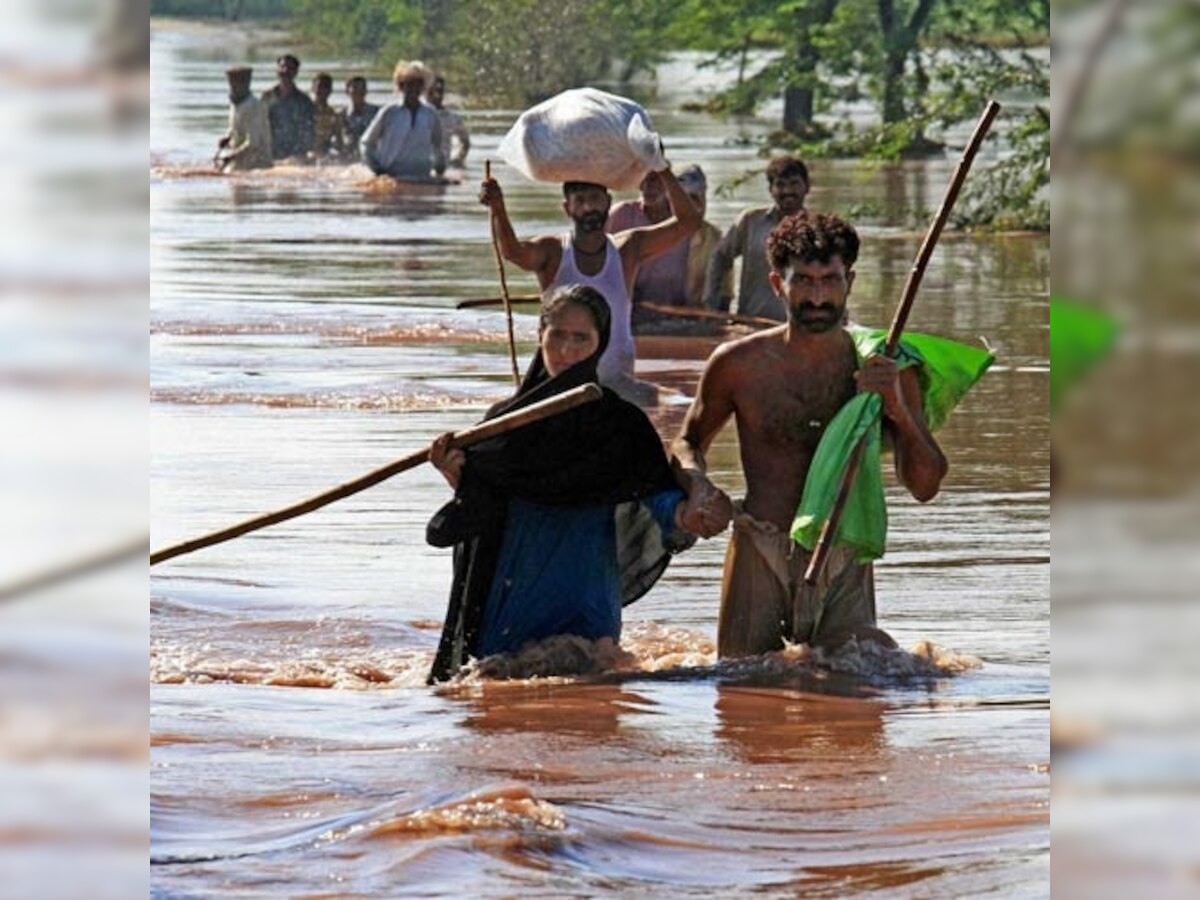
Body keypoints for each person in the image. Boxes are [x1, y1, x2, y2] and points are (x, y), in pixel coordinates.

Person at [673, 212, 948, 657]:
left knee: (861, 691)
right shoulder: (737, 364)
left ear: (850, 282)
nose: (817, 296)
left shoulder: (885, 365)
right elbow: (687, 443)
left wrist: (896, 408)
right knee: (743, 691)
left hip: (844, 548)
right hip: (760, 544)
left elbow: (926, 486)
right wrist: (698, 485)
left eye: (829, 280)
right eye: (803, 280)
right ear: (778, 285)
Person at [425, 285, 722, 683]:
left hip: (585, 595)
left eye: (581, 338)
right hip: (512, 595)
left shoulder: (621, 426)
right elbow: (481, 506)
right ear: (540, 336)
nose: (566, 350)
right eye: (557, 335)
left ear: (600, 344)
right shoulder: (503, 423)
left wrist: (690, 515)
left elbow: (657, 498)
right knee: (496, 698)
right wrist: (456, 474)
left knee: (591, 704)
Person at [478, 163, 701, 395]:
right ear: (567, 208)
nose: (589, 207)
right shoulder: (553, 251)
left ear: (607, 202)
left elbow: (689, 222)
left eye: (595, 199)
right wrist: (498, 208)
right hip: (561, 381)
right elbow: (513, 252)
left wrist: (662, 169)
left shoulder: (627, 249)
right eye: (580, 200)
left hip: (617, 382)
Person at [703, 155, 811, 321]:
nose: (788, 191)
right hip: (751, 324)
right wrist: (714, 304)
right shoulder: (750, 221)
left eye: (794, 184)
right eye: (780, 185)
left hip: (801, 328)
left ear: (807, 187)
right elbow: (719, 257)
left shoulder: (817, 229)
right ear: (771, 189)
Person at [359, 60, 445, 179]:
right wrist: (377, 170)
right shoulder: (389, 111)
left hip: (422, 176)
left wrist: (439, 171)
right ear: (401, 86)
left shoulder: (430, 114)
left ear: (423, 87)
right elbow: (366, 143)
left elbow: (438, 146)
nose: (414, 88)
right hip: (391, 175)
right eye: (409, 84)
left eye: (418, 84)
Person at [215, 66, 272, 172]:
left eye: (236, 83)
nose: (233, 87)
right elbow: (234, 128)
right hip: (239, 161)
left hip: (258, 165)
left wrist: (231, 156)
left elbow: (253, 144)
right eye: (231, 83)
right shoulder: (235, 104)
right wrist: (227, 137)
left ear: (246, 84)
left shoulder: (254, 106)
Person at [261, 54, 315, 161]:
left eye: (290, 68)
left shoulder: (304, 101)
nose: (285, 71)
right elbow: (259, 124)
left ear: (295, 72)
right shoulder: (267, 97)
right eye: (282, 67)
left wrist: (302, 154)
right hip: (270, 152)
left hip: (295, 155)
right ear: (277, 70)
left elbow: (308, 131)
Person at [425, 75, 470, 168]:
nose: (436, 95)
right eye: (432, 91)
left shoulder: (453, 118)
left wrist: (458, 160)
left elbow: (465, 143)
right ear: (425, 92)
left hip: (444, 167)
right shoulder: (417, 114)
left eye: (439, 91)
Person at [341, 76, 379, 160]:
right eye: (355, 88)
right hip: (351, 153)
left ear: (366, 92)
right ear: (347, 91)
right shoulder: (342, 115)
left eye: (362, 88)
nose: (359, 91)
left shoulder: (377, 113)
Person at [310, 71, 345, 159]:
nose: (322, 90)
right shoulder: (305, 111)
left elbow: (340, 142)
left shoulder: (335, 115)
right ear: (313, 88)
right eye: (319, 87)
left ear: (330, 90)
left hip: (325, 154)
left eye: (326, 87)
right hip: (307, 153)